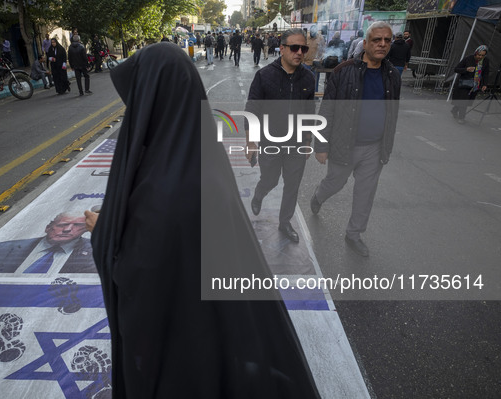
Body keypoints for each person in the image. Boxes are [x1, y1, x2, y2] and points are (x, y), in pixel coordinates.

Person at [88, 41, 320, 399]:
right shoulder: (200, 155)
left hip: (181, 347)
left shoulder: (165, 179)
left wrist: (103, 231)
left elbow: (143, 271)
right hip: (213, 331)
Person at [310, 21, 401, 257]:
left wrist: (387, 145)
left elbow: (392, 113)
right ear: (365, 42)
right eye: (377, 40)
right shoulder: (343, 71)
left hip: (374, 148)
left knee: (365, 193)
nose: (382, 44)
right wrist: (321, 145)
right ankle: (318, 196)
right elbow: (327, 110)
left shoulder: (392, 75)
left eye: (387, 40)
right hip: (344, 145)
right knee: (335, 183)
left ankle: (354, 234)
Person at [245, 28, 316, 243]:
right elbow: (252, 110)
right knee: (271, 179)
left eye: (303, 48)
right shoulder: (264, 76)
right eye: (294, 47)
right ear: (282, 48)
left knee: (292, 185)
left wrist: (307, 141)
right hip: (270, 142)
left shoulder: (309, 78)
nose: (299, 52)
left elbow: (309, 111)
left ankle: (285, 223)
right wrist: (251, 142)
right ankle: (259, 194)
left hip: (296, 143)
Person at [0, 213, 95, 274]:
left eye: (77, 225)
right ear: (48, 227)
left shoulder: (99, 254)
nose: (67, 229)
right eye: (62, 225)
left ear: (85, 230)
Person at [451, 45, 489, 124]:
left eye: (482, 55)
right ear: (476, 53)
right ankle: (461, 118)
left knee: (467, 101)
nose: (480, 57)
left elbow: (485, 73)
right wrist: (466, 69)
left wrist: (485, 84)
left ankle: (454, 110)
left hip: (475, 84)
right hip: (464, 83)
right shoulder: (468, 58)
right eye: (479, 55)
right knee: (464, 101)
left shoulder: (486, 61)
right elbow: (456, 69)